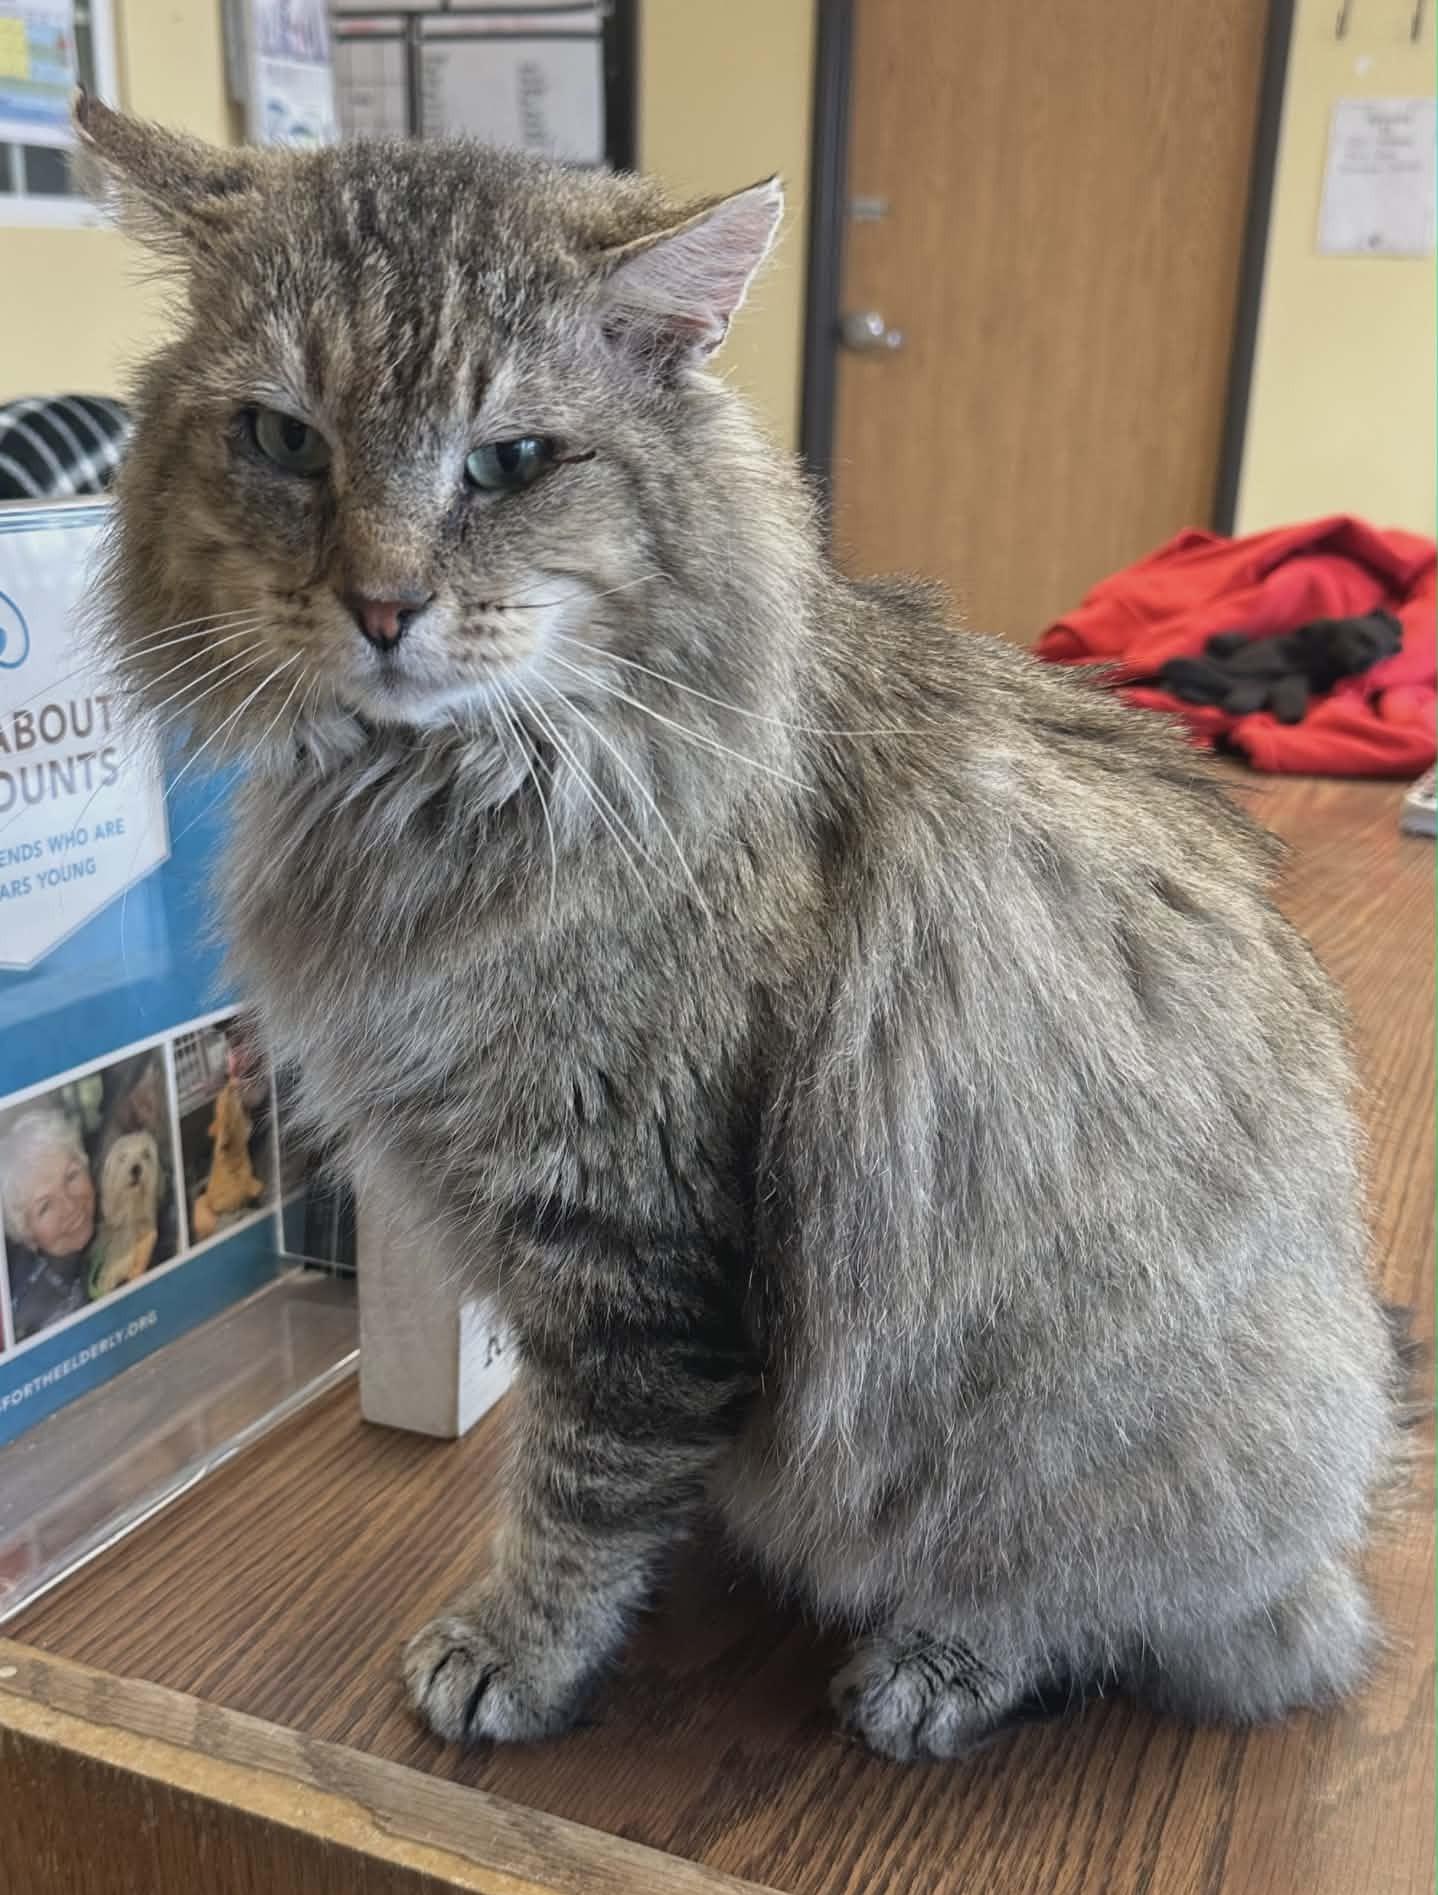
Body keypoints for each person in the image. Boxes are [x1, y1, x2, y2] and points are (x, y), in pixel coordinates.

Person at [0, 1108, 98, 1342]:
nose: (70, 1206)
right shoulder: (41, 1317)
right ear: (28, 1236)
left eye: (71, 1176)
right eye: (45, 1207)